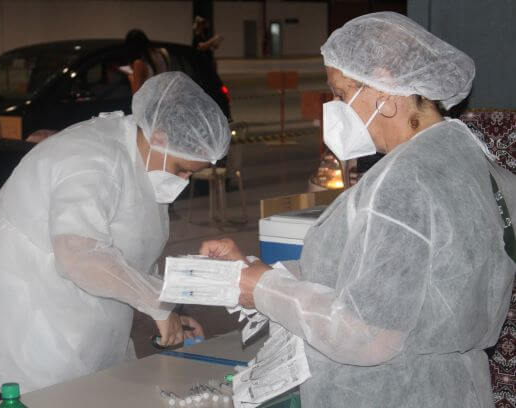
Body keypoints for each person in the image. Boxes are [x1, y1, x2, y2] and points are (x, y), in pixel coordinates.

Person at [201, 12, 516, 408]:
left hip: (392, 394)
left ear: (383, 88)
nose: (334, 108)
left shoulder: (402, 181)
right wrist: (254, 273)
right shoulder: (478, 164)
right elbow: (383, 278)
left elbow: (368, 333)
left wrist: (263, 288)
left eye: (340, 93)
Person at [0, 72, 231, 393]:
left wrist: (169, 310)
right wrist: (157, 303)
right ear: (159, 137)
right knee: (50, 396)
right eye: (181, 170)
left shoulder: (142, 161)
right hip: (31, 321)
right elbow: (79, 256)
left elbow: (131, 256)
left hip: (83, 321)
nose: (182, 182)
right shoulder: (94, 159)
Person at [125, 29, 170, 93]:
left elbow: (136, 93)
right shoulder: (162, 52)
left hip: (151, 96)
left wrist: (130, 76)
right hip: (164, 93)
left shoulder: (139, 63)